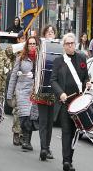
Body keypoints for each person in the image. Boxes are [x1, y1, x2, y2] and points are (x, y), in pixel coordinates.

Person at [50, 33, 91, 171]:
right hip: (65, 103)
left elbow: (85, 77)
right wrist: (60, 93)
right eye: (67, 43)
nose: (70, 45)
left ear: (75, 44)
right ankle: (66, 161)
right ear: (64, 46)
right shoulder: (59, 61)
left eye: (72, 43)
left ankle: (70, 159)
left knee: (75, 132)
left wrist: (88, 83)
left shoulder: (81, 58)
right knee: (66, 131)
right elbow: (53, 80)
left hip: (78, 102)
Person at [7, 36, 40, 151]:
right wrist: (9, 95)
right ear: (26, 45)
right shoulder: (20, 58)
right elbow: (13, 77)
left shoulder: (40, 59)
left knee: (31, 116)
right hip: (21, 90)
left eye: (34, 44)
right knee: (24, 115)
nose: (32, 46)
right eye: (30, 44)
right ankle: (23, 137)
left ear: (37, 45)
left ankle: (26, 141)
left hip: (34, 91)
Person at [33, 25, 57, 161]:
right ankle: (43, 148)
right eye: (48, 32)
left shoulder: (59, 48)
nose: (50, 34)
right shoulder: (39, 47)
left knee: (50, 122)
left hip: (54, 91)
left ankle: (47, 147)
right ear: (44, 34)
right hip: (42, 89)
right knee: (43, 121)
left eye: (52, 32)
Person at [6, 30, 26, 145]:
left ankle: (24, 135)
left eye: (25, 39)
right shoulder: (16, 51)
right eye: (22, 38)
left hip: (27, 85)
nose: (24, 40)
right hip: (17, 84)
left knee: (26, 111)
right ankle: (16, 133)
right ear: (18, 40)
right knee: (17, 110)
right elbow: (8, 51)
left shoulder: (29, 51)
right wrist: (21, 46)